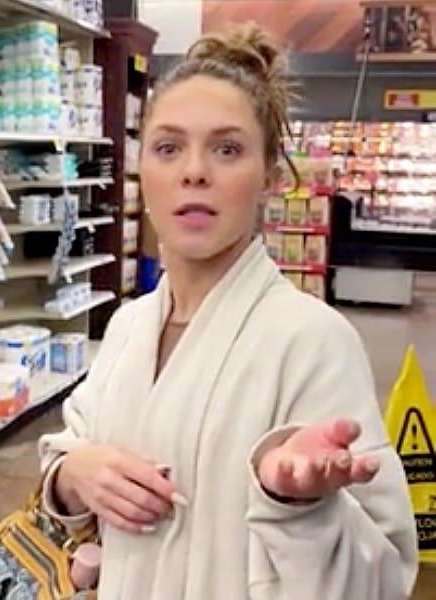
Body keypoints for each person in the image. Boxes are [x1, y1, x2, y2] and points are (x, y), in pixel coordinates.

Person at [39, 22, 418, 599]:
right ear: (145, 170)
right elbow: (71, 453)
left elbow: (384, 579)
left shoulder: (312, 340)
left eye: (227, 148)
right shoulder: (127, 328)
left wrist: (299, 505)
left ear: (269, 176)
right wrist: (75, 474)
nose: (195, 170)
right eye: (168, 147)